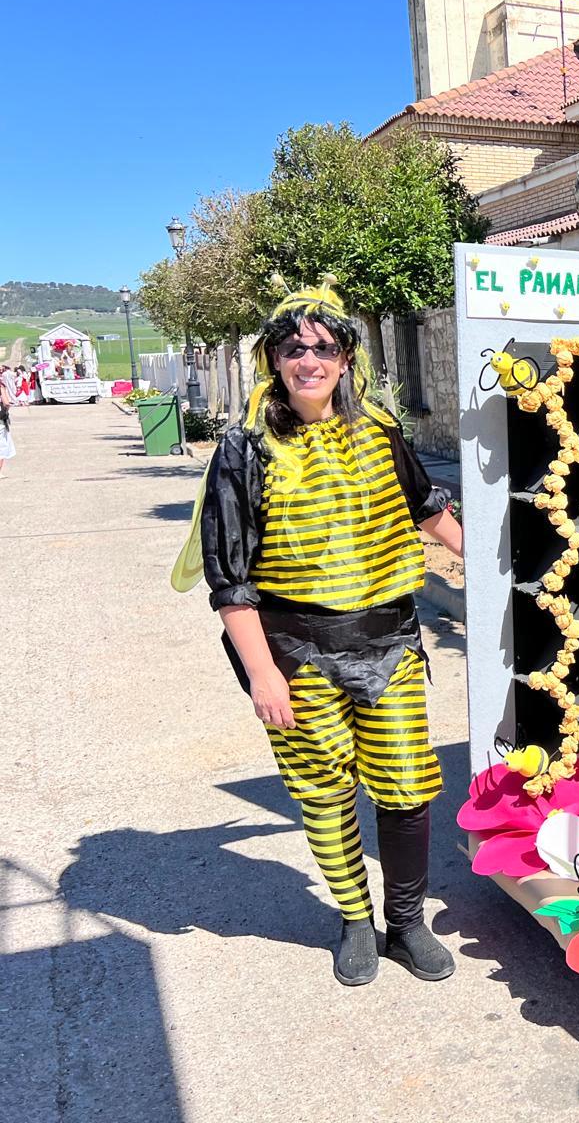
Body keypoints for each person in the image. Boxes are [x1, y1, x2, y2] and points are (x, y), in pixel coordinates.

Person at [197, 277, 463, 987]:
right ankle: (354, 920)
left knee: (407, 787)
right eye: (292, 349)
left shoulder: (379, 428)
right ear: (274, 361)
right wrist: (261, 672)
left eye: (321, 348)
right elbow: (230, 578)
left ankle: (407, 924)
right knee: (323, 791)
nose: (307, 360)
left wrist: (496, 562)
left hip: (389, 643)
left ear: (346, 358)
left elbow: (427, 509)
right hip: (297, 653)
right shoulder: (243, 449)